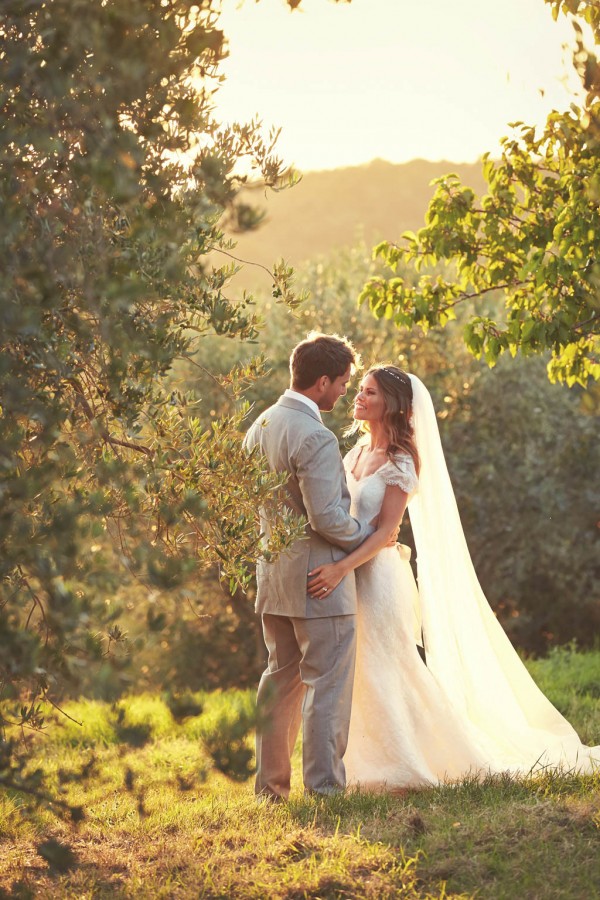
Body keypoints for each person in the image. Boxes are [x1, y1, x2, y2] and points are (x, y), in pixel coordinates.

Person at [307, 365, 599, 788]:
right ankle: (358, 764)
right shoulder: (352, 453)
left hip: (377, 578)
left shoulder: (402, 460)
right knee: (359, 670)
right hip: (350, 575)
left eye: (369, 392)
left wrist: (339, 568)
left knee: (390, 667)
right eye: (361, 390)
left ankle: (409, 763)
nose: (359, 397)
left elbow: (388, 531)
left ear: (390, 404)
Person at [244, 333, 392, 801]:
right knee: (326, 687)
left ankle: (270, 790)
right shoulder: (315, 435)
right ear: (322, 381)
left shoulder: (261, 425)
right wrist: (371, 540)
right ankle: (325, 791)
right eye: (344, 383)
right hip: (320, 584)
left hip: (273, 579)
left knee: (279, 680)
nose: (346, 392)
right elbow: (326, 517)